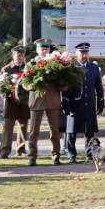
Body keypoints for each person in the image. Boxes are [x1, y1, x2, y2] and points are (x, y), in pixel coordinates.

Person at [62, 42, 105, 163]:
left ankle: (90, 154)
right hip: (74, 104)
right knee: (71, 132)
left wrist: (101, 102)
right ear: (76, 53)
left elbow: (99, 86)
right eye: (82, 53)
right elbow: (65, 88)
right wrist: (65, 104)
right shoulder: (70, 68)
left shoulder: (94, 67)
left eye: (86, 52)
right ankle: (71, 155)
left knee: (89, 131)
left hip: (89, 103)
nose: (84, 55)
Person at [27, 38, 64, 167]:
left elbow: (64, 84)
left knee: (55, 131)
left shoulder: (56, 64)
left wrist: (59, 81)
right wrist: (34, 84)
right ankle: (32, 156)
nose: (44, 51)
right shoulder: (31, 64)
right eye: (42, 49)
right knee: (34, 132)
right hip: (37, 100)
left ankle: (56, 155)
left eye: (46, 49)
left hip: (53, 100)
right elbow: (25, 83)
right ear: (37, 50)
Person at [0, 45, 30, 159]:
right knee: (8, 126)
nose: (20, 57)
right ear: (13, 56)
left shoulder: (28, 68)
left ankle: (21, 150)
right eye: (17, 55)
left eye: (21, 55)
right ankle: (4, 151)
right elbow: (1, 86)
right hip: (10, 101)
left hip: (24, 102)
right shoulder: (6, 69)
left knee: (23, 126)